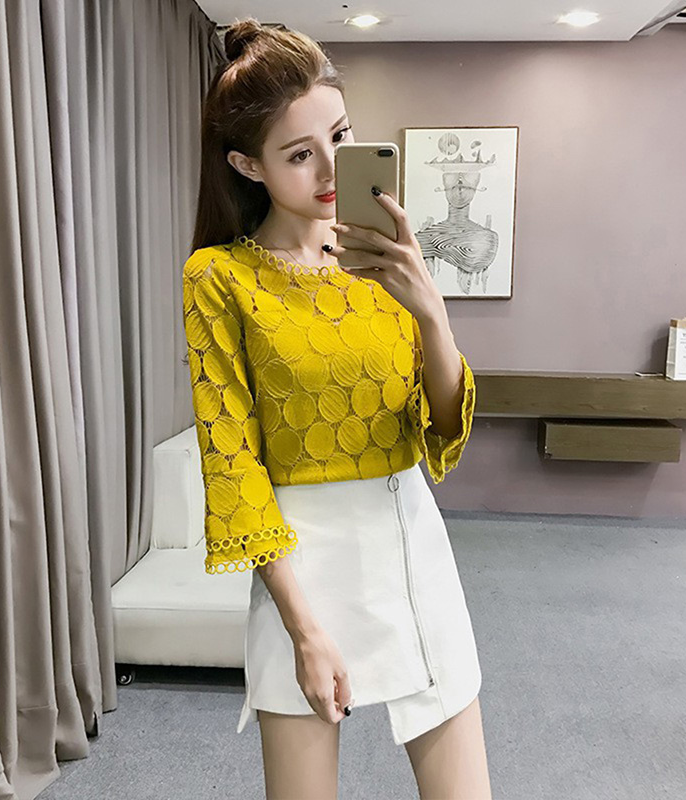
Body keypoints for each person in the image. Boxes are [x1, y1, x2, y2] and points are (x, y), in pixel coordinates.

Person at [182, 17, 493, 799]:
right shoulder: (220, 279)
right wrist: (303, 629)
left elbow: (441, 426)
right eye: (298, 154)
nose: (329, 169)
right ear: (246, 165)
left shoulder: (381, 256)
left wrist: (432, 313)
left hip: (413, 547)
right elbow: (233, 463)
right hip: (301, 567)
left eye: (340, 136)